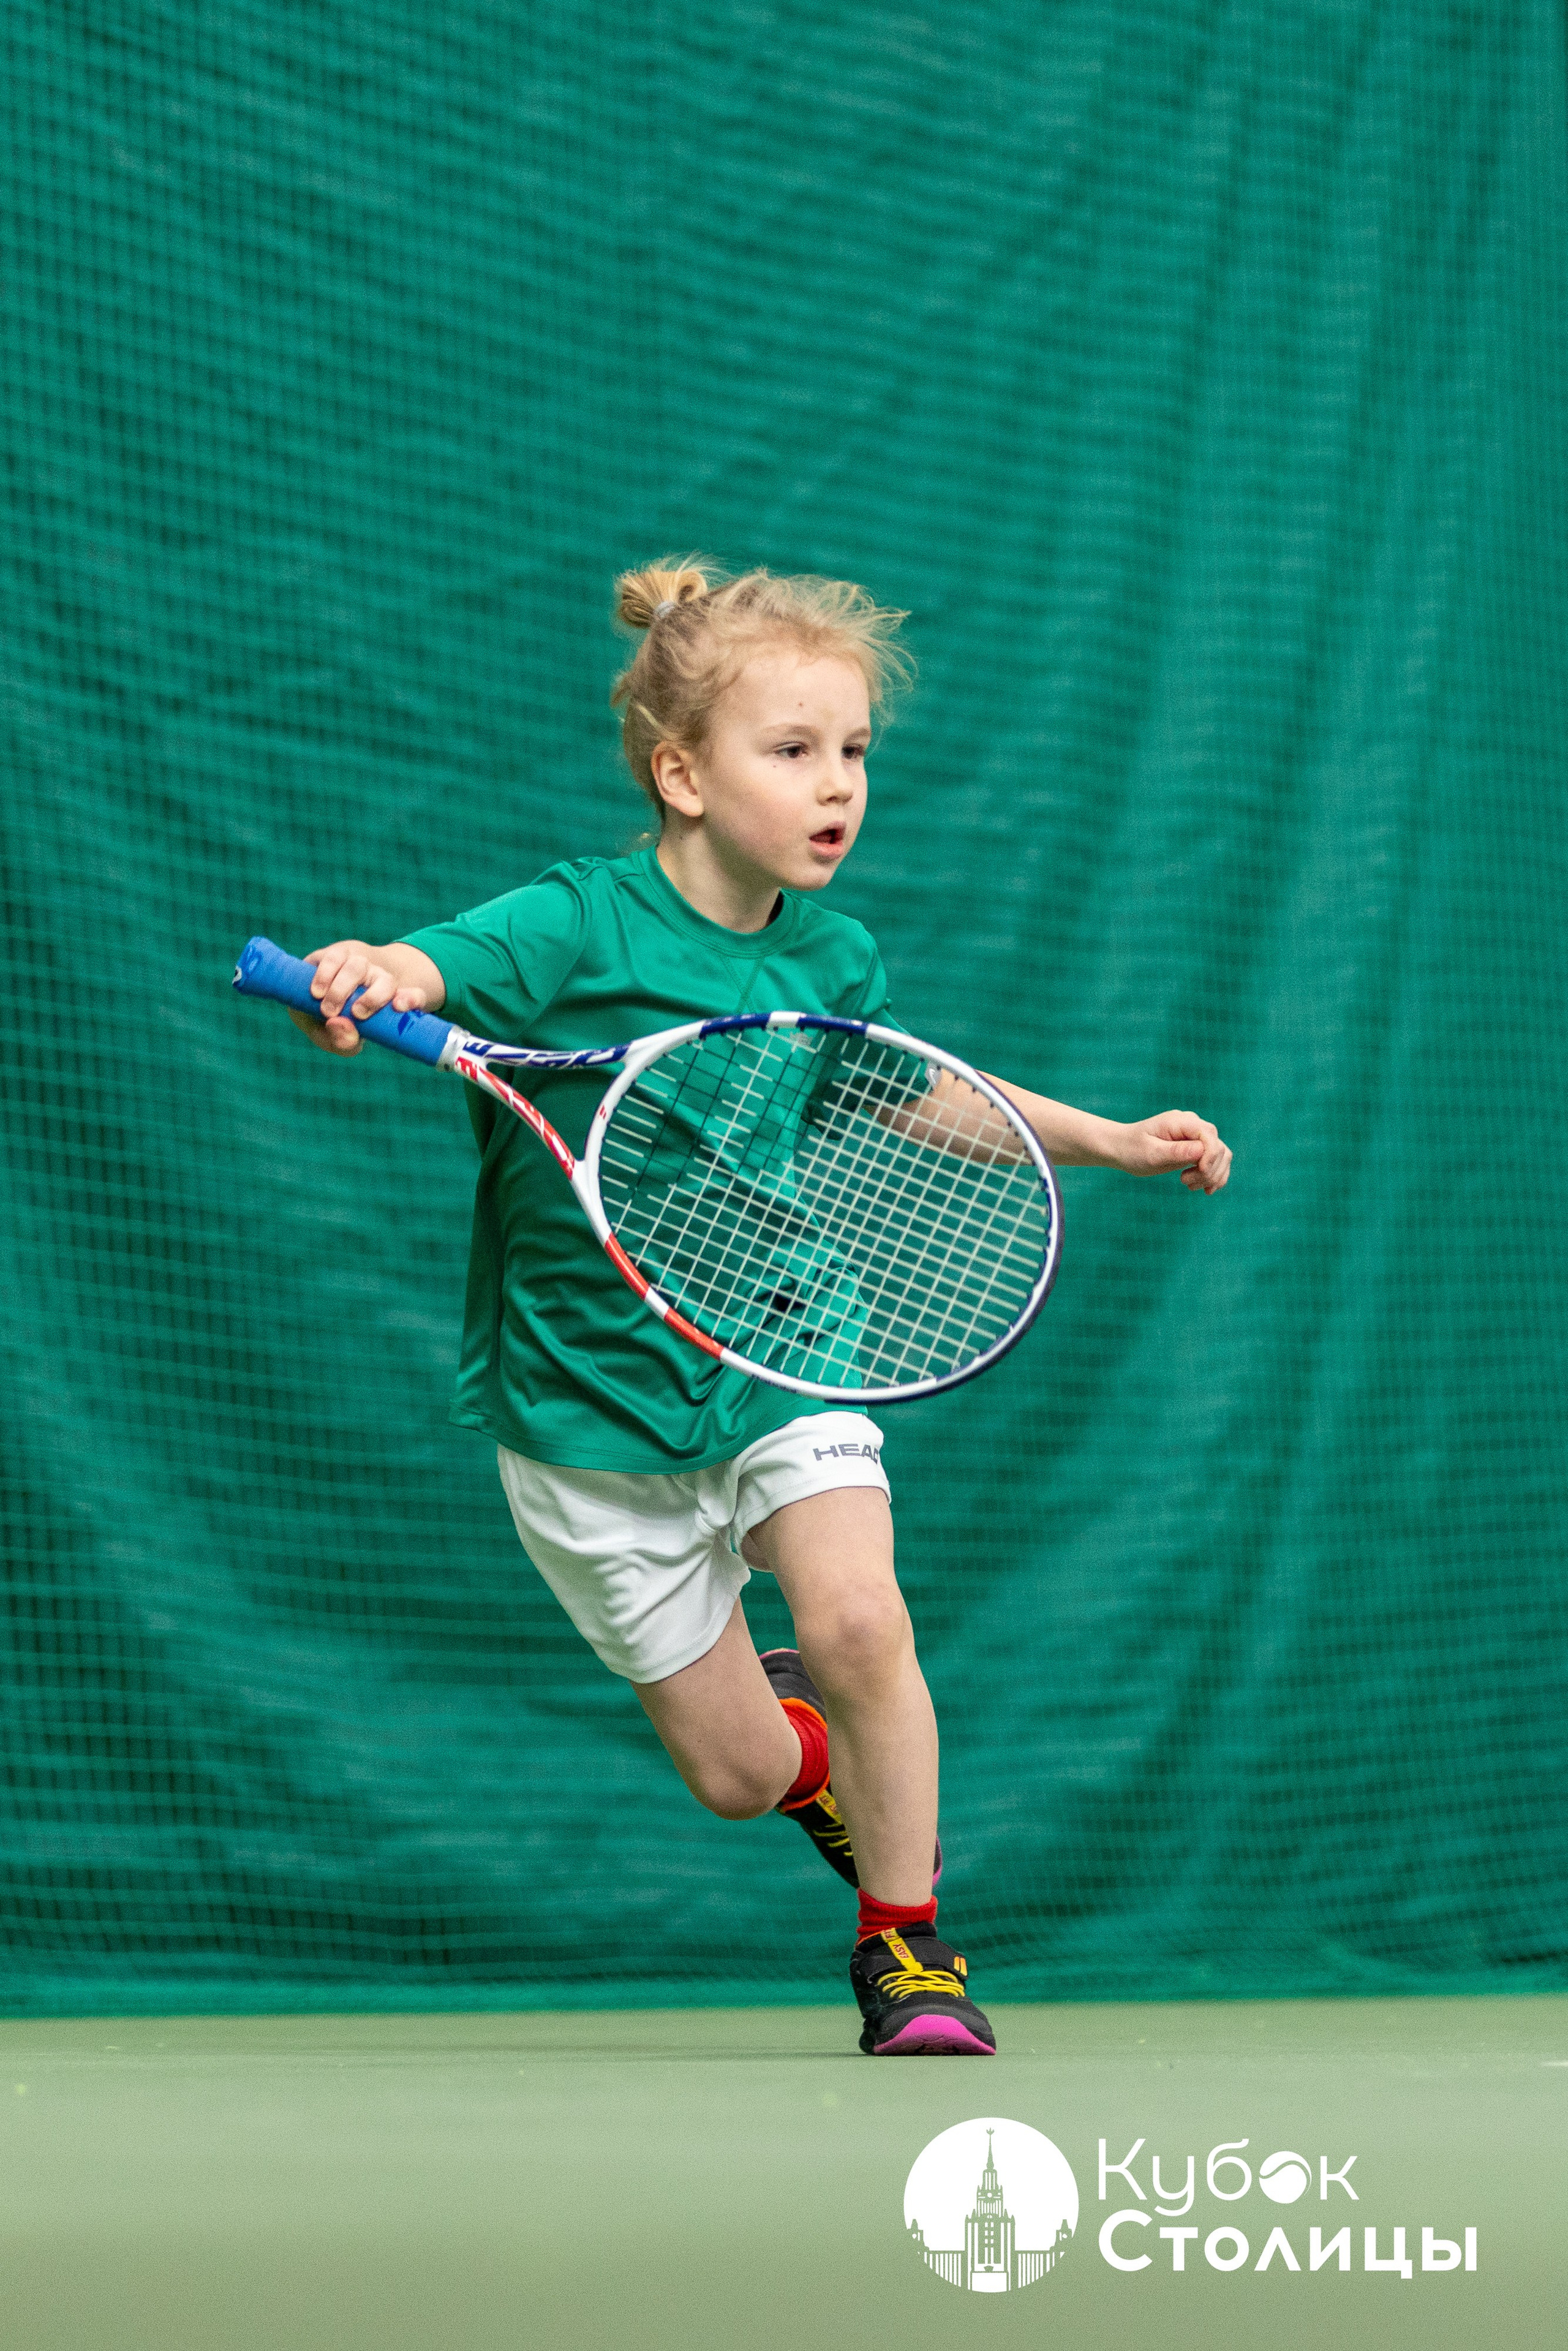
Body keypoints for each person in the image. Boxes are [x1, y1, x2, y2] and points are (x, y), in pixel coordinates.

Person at [290, 559, 1232, 2055]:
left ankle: (908, 1949)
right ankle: (794, 1741)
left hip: (781, 1341)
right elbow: (427, 966)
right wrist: (367, 969)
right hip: (581, 1407)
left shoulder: (828, 953)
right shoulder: (571, 922)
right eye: (791, 752)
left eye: (853, 752)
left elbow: (912, 1090)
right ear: (680, 772)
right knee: (737, 1775)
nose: (835, 786)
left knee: (861, 1616)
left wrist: (1108, 1136)